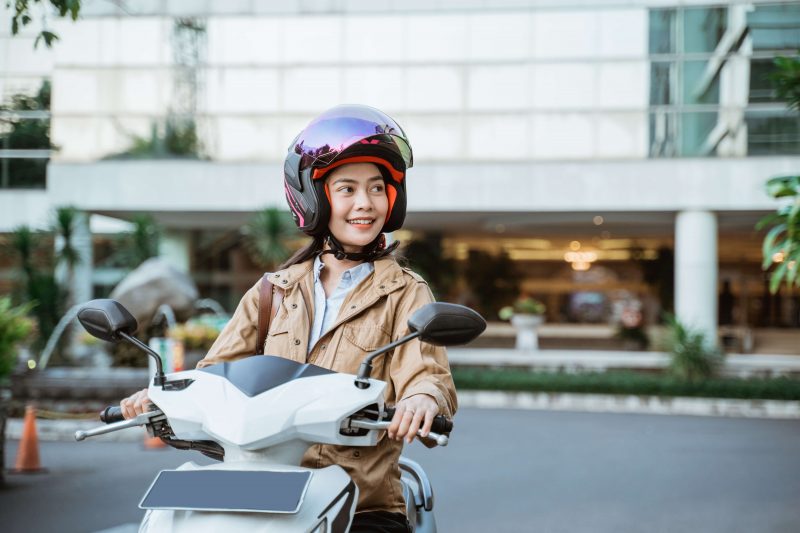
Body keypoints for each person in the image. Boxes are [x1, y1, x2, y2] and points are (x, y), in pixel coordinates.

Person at [120, 104, 457, 533]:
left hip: (360, 502)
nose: (365, 203)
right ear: (315, 198)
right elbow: (212, 375)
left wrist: (421, 399)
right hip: (260, 486)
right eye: (347, 189)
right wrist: (162, 397)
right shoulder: (272, 291)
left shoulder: (406, 292)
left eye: (376, 188)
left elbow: (425, 371)